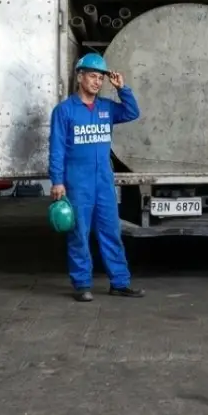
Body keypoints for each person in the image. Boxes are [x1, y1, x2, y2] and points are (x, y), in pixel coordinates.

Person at [49, 52, 143, 302]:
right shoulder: (64, 111)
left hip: (103, 183)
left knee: (111, 232)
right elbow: (57, 148)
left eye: (101, 78)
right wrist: (57, 181)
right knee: (79, 233)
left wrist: (123, 88)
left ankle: (120, 283)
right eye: (93, 76)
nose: (97, 82)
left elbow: (133, 112)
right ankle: (82, 284)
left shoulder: (106, 109)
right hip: (77, 183)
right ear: (80, 77)